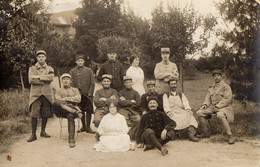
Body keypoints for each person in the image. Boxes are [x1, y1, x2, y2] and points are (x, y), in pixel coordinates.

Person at [196, 70, 235, 144]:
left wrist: (218, 106)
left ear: (221, 76)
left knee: (220, 115)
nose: (216, 77)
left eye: (218, 75)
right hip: (213, 107)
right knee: (199, 112)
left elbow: (227, 99)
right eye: (215, 76)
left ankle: (230, 135)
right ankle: (205, 133)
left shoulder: (226, 87)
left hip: (224, 107)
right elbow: (207, 98)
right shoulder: (211, 87)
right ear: (213, 77)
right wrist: (205, 105)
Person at [27, 50, 54, 142]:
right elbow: (31, 80)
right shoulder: (32, 69)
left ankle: (43, 131)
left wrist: (38, 77)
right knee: (34, 114)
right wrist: (44, 79)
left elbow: (51, 78)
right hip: (36, 94)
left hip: (46, 94)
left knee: (45, 113)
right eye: (39, 57)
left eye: (42, 56)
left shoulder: (50, 68)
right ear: (37, 58)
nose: (41, 58)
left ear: (45, 58)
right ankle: (33, 134)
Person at [163, 78, 199, 142]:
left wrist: (188, 109)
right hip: (172, 111)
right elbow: (165, 105)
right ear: (169, 85)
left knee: (190, 116)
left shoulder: (180, 94)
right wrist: (168, 111)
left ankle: (191, 134)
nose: (173, 85)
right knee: (171, 117)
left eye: (174, 84)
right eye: (171, 84)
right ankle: (174, 134)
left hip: (180, 110)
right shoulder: (166, 95)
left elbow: (185, 102)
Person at [53, 73, 83, 148]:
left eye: (67, 79)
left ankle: (71, 139)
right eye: (63, 79)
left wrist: (66, 99)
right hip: (61, 111)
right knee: (55, 103)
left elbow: (78, 99)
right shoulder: (58, 90)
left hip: (72, 110)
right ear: (61, 81)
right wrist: (72, 100)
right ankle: (73, 111)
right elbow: (58, 100)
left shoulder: (75, 90)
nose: (65, 81)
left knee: (70, 116)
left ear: (70, 81)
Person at [69, 54, 95, 134]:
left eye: (81, 61)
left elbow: (92, 82)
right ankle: (83, 126)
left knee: (89, 110)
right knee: (81, 109)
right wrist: (74, 93)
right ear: (76, 62)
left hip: (87, 94)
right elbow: (71, 83)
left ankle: (88, 127)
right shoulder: (72, 71)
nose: (80, 62)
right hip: (78, 95)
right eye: (78, 61)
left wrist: (90, 92)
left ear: (83, 61)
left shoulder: (89, 70)